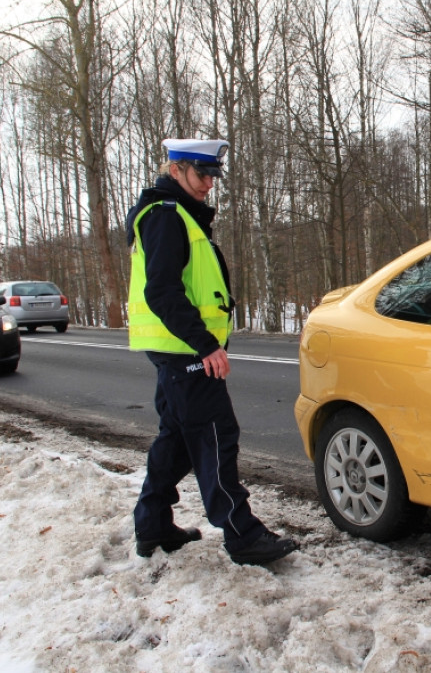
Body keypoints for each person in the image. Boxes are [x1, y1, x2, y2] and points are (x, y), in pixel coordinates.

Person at [126, 137, 298, 565]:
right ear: (175, 169)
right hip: (186, 349)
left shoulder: (177, 213)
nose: (208, 184)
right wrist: (205, 345)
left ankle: (152, 525)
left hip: (176, 349)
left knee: (178, 440)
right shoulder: (166, 216)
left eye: (212, 176)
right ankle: (243, 535)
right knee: (216, 436)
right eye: (202, 174)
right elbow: (162, 291)